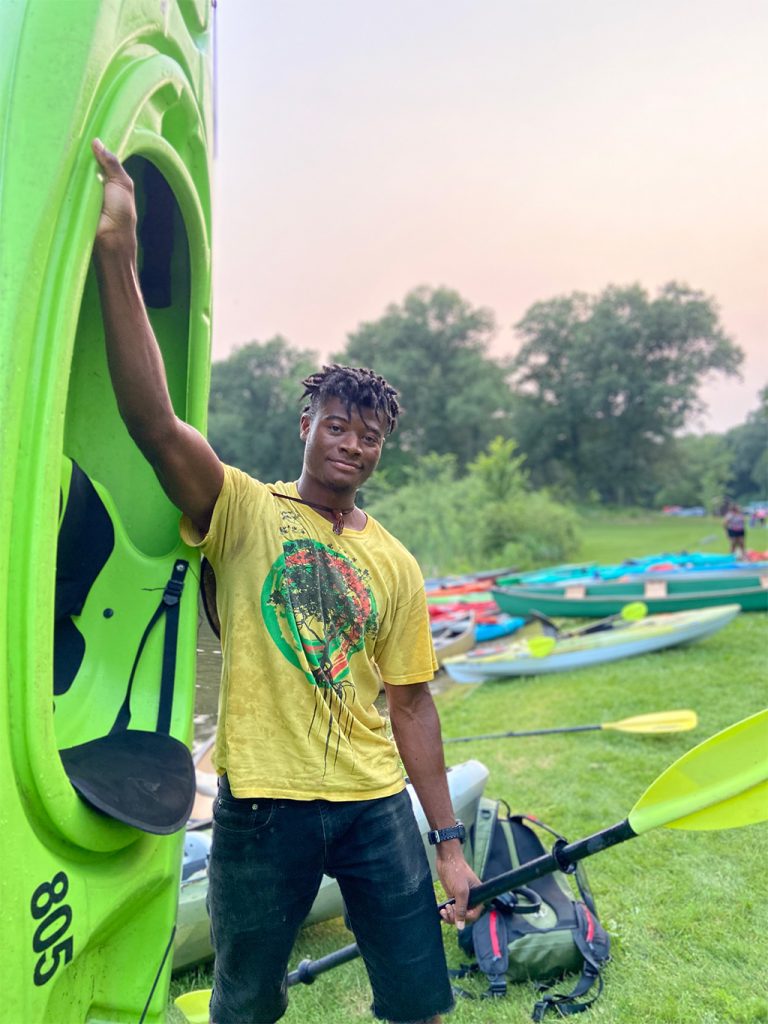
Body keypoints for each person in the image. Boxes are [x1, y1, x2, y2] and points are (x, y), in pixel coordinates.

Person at [90, 138, 480, 1024]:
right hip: (263, 809)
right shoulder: (241, 509)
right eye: (337, 425)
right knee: (247, 1003)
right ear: (306, 421)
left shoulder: (395, 562)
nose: (352, 444)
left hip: (375, 803)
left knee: (419, 997)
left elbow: (414, 705)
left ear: (382, 450)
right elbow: (153, 421)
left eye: (369, 436)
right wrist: (120, 255)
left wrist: (449, 844)